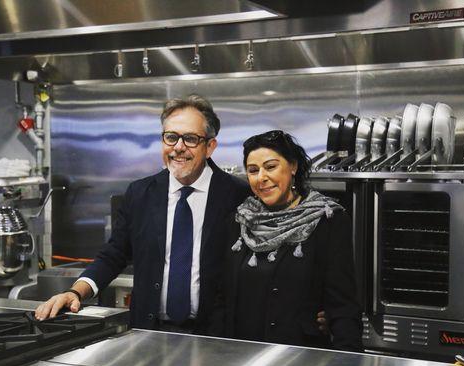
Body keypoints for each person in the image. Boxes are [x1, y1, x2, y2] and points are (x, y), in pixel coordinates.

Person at [35, 94, 250, 333]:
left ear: (210, 146)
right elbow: (114, 254)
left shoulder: (238, 195)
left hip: (217, 336)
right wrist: (75, 291)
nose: (178, 147)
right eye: (171, 137)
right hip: (149, 331)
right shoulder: (140, 193)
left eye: (190, 139)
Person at [209, 130, 362, 351]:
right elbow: (221, 299)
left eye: (271, 167)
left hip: (300, 359)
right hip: (239, 357)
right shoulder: (239, 220)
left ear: (293, 166)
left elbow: (343, 306)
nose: (261, 177)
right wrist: (215, 353)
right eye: (253, 170)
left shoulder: (327, 220)